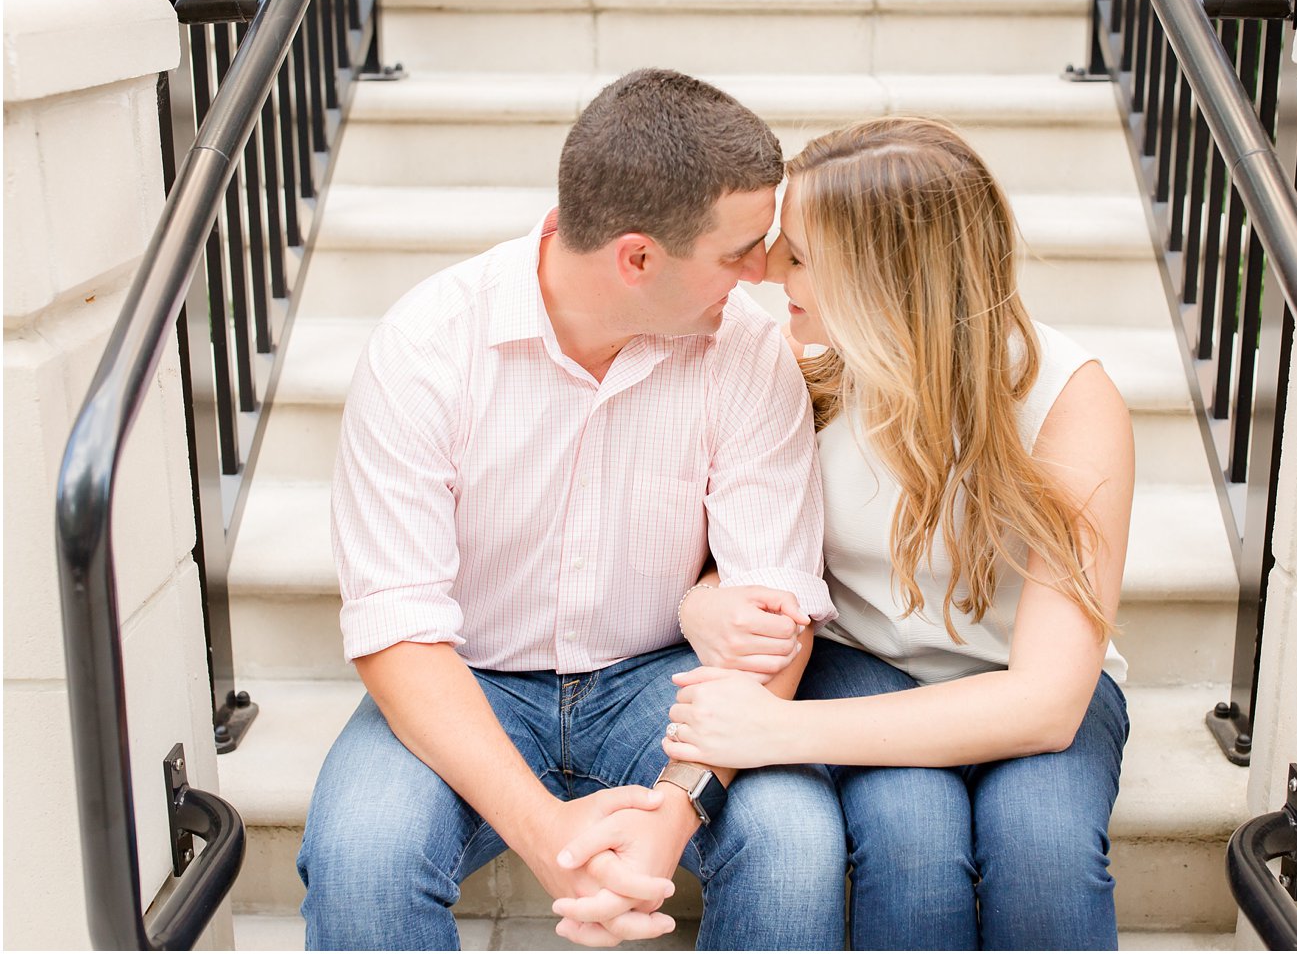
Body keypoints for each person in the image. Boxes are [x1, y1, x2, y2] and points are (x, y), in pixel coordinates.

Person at [297, 68, 846, 951]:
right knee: (364, 858)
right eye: (739, 251)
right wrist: (548, 838)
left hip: (658, 684)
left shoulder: (748, 354)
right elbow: (397, 631)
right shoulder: (428, 347)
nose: (764, 274)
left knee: (795, 844)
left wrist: (675, 812)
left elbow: (777, 614)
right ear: (637, 258)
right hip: (470, 676)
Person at [662, 117, 1135, 950]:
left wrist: (781, 733)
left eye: (801, 254)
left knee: (1044, 853)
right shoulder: (797, 368)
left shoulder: (1068, 400)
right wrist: (704, 602)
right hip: (862, 663)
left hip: (1024, 681)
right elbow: (732, 556)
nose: (769, 269)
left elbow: (1047, 705)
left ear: (891, 277)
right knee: (912, 848)